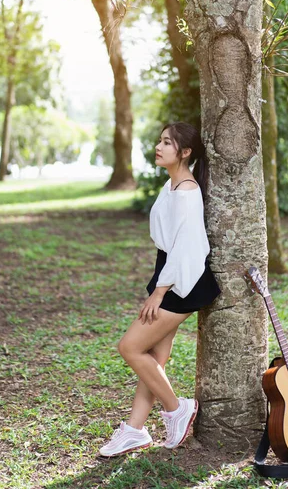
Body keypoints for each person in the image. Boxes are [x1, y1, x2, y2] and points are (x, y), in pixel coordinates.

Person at [99, 121, 221, 457]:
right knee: (154, 359)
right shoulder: (173, 186)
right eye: (159, 140)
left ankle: (176, 408)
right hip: (169, 274)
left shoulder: (186, 193)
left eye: (168, 143)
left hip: (182, 283)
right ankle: (135, 430)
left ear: (185, 152)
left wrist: (159, 292)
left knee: (130, 347)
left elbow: (187, 249)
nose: (159, 146)